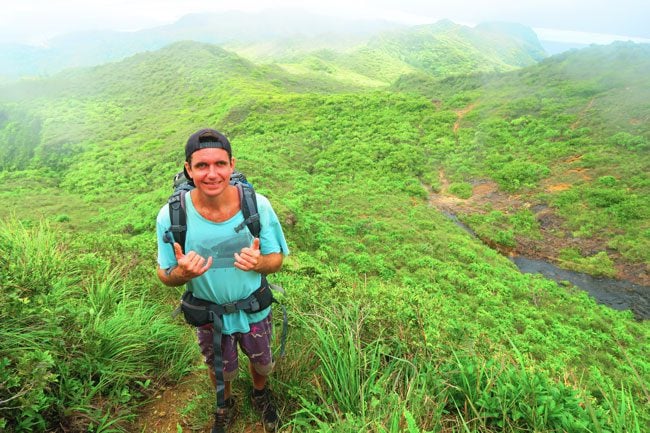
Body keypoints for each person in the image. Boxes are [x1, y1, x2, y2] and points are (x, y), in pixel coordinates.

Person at [155, 128, 289, 432]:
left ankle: (260, 394)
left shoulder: (258, 205)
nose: (212, 173)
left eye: (219, 164)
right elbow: (165, 274)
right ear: (188, 169)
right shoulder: (172, 216)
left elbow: (277, 259)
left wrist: (261, 263)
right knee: (220, 369)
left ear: (231, 164)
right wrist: (182, 274)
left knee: (262, 363)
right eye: (201, 166)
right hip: (209, 316)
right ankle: (223, 404)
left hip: (254, 308)